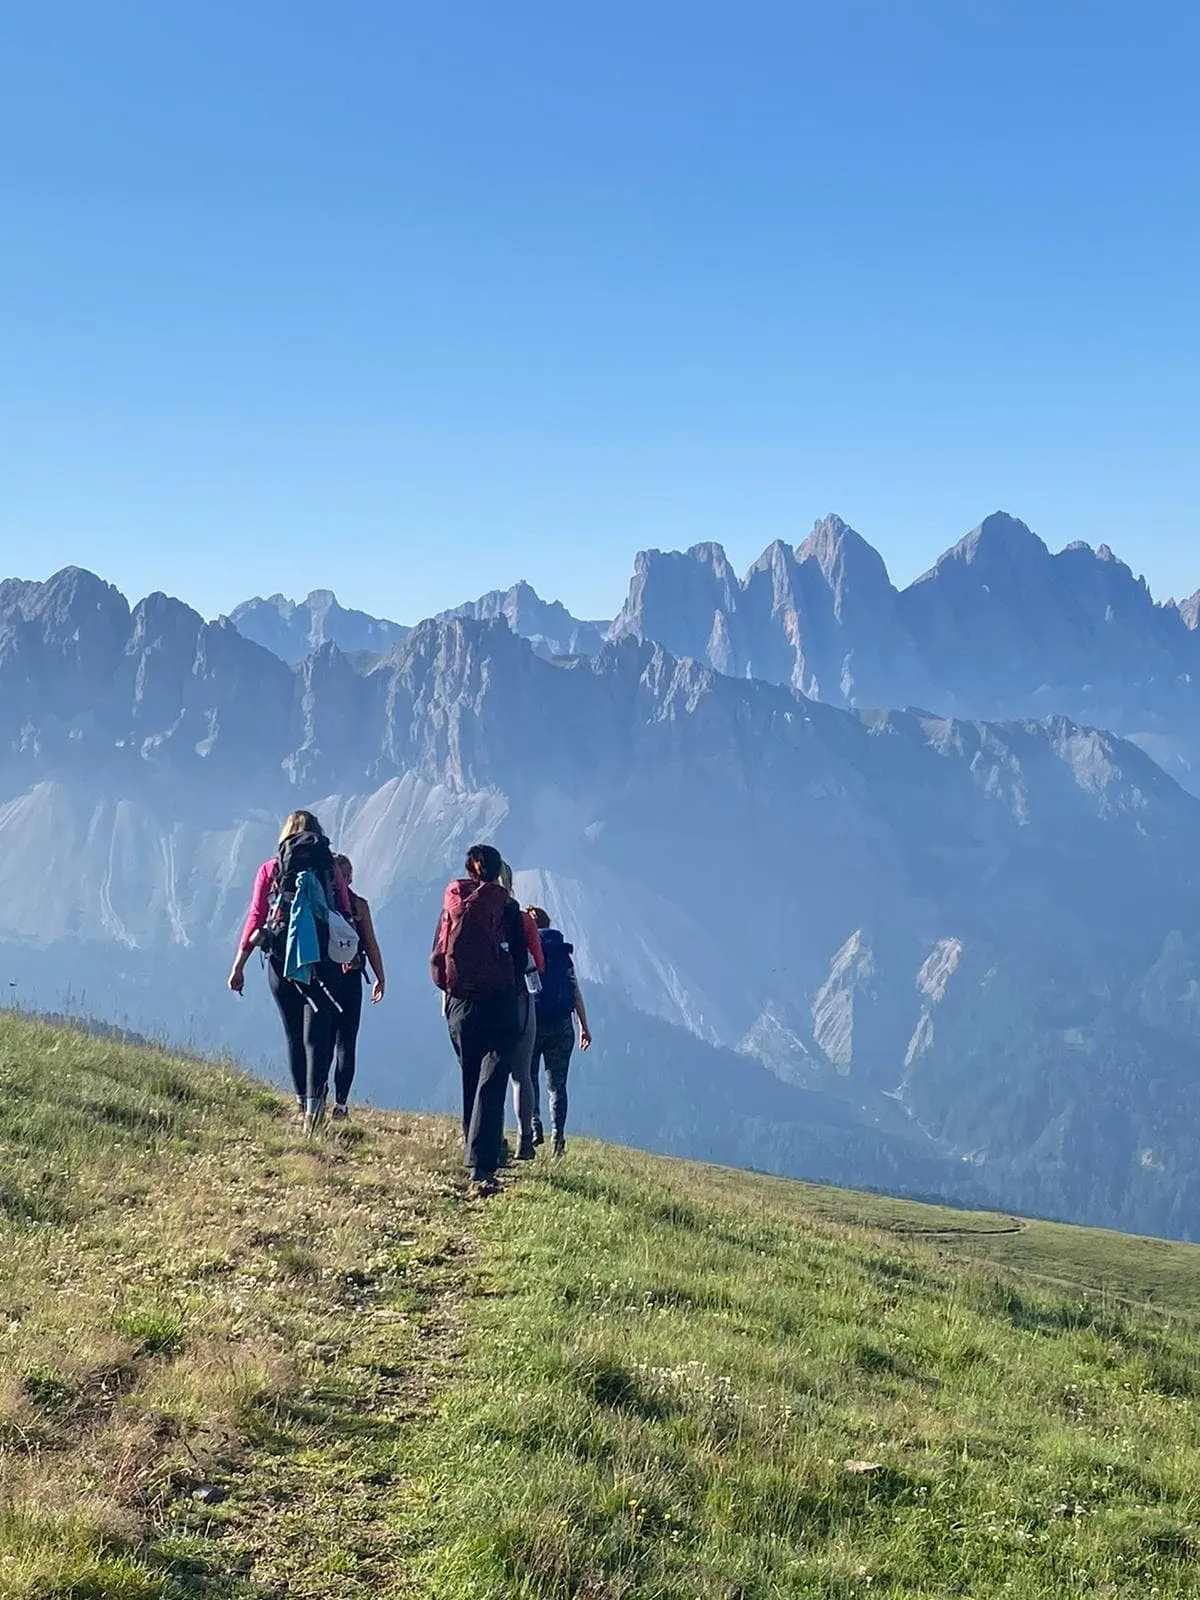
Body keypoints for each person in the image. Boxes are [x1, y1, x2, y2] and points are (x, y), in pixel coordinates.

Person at [228, 810, 353, 1128]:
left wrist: (239, 966)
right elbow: (345, 912)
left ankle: (300, 1104)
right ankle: (316, 1110)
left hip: (280, 959)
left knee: (293, 1034)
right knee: (319, 1035)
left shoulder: (271, 869)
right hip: (324, 961)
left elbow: (256, 918)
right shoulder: (329, 869)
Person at [430, 844, 527, 1197]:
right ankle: (482, 1166)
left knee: (470, 1075)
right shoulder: (507, 907)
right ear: (498, 870)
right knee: (493, 1078)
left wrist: (452, 991)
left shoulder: (452, 904)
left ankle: (470, 1145)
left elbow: (439, 955)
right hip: (498, 1003)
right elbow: (521, 959)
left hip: (460, 1004)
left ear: (470, 870)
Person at [526, 907, 592, 1157]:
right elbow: (574, 990)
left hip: (532, 1023)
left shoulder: (528, 949)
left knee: (528, 1076)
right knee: (557, 1085)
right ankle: (558, 1139)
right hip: (562, 1025)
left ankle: (533, 1126)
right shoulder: (563, 953)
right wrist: (583, 1026)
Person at [330, 854, 386, 1120]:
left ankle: (312, 1098)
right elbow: (371, 943)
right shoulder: (359, 906)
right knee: (346, 1042)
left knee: (318, 1040)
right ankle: (340, 1104)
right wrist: (380, 977)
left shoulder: (320, 905)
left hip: (321, 979)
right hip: (350, 979)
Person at [499, 860, 544, 1161]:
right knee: (521, 1074)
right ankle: (524, 1140)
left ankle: (482, 1138)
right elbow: (538, 964)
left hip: (475, 1002)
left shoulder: (464, 909)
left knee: (484, 1076)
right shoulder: (523, 920)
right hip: (516, 1001)